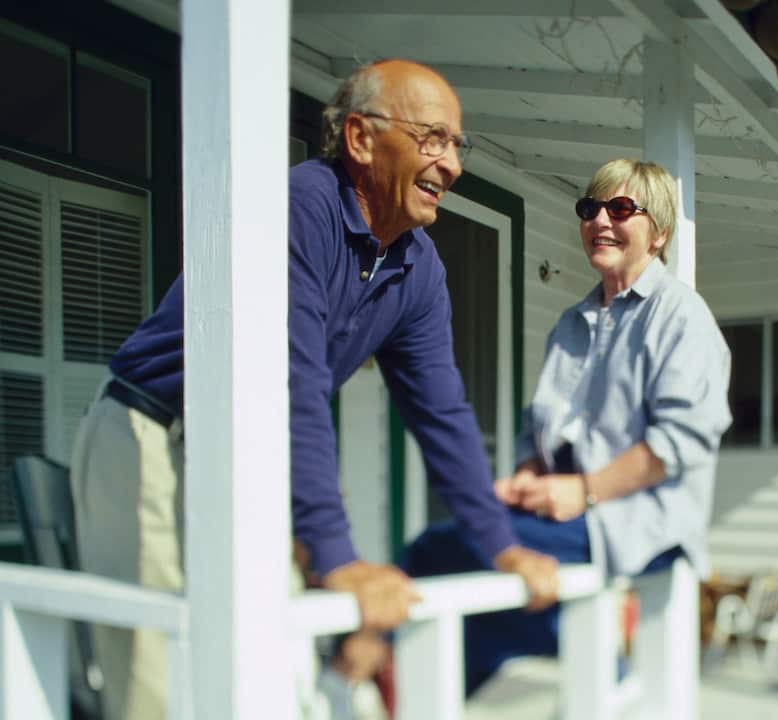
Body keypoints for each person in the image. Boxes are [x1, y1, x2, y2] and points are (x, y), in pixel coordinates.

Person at [68, 59, 559, 720]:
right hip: (152, 434)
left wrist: (501, 546)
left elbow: (441, 413)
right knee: (155, 682)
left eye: (457, 146)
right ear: (360, 138)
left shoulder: (418, 267)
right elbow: (288, 383)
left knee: (281, 673)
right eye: (434, 139)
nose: (454, 165)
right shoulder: (299, 208)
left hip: (245, 455)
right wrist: (337, 558)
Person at [365, 158, 732, 693]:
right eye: (591, 209)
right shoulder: (571, 325)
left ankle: (379, 674)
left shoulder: (681, 316)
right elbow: (539, 432)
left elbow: (678, 442)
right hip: (570, 517)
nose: (601, 220)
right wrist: (528, 478)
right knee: (484, 582)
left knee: (439, 549)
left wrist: (583, 490)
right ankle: (437, 692)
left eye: (622, 209)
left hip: (640, 522)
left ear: (659, 235)